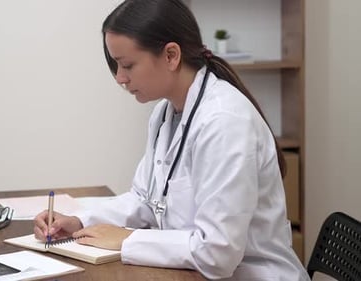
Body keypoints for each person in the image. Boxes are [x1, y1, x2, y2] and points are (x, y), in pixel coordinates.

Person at [34, 0, 310, 280]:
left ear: (170, 55)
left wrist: (127, 239)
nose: (120, 78)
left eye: (127, 65)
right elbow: (145, 200)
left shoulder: (225, 122)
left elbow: (218, 254)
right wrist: (81, 221)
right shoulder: (165, 114)